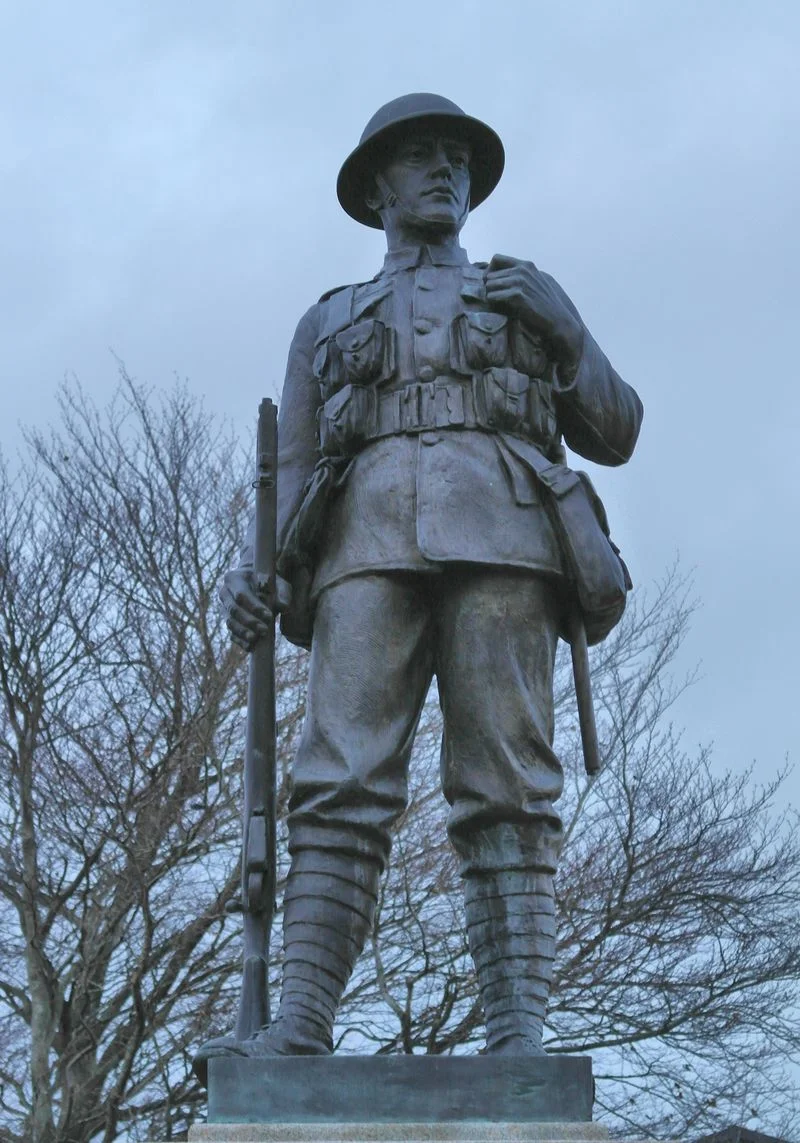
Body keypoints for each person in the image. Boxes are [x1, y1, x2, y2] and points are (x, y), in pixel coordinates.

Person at [196, 92, 642, 1073]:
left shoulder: (525, 292)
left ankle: (518, 1034)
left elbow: (614, 429)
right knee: (337, 784)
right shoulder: (327, 319)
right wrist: (255, 572)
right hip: (363, 548)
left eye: (456, 158)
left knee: (508, 787)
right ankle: (300, 1022)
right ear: (375, 188)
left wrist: (566, 334)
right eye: (420, 157)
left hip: (506, 542)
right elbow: (296, 463)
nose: (444, 171)